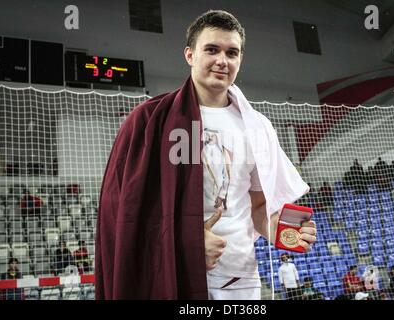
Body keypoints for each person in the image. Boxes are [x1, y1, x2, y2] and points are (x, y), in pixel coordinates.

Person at [95, 10, 316, 300]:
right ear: (190, 55)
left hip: (240, 279)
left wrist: (279, 231)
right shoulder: (148, 120)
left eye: (232, 52)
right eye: (211, 49)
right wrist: (187, 243)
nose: (222, 60)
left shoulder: (258, 126)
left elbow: (259, 205)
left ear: (240, 59)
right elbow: (125, 216)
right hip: (173, 276)